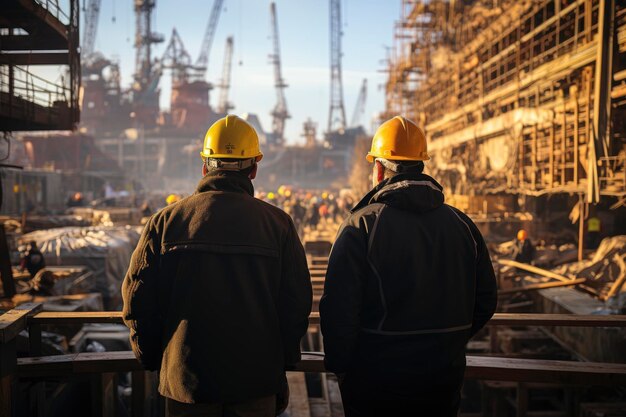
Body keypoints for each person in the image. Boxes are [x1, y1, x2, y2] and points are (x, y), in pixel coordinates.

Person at [121, 115, 312, 417]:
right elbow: (296, 302)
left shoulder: (166, 222)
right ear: (254, 169)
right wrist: (282, 362)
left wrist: (159, 360)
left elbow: (137, 299)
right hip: (256, 382)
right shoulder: (278, 225)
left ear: (204, 166)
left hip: (186, 385)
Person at [319, 116, 498, 417]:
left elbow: (339, 310)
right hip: (442, 380)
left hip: (374, 384)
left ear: (378, 168)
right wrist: (446, 342)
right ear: (421, 165)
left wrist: (341, 367)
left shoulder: (363, 226)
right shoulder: (462, 225)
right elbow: (485, 301)